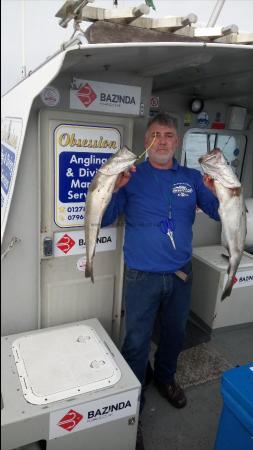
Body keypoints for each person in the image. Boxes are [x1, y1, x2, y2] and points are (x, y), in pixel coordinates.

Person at [101, 113, 220, 450]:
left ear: (177, 141)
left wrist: (219, 190)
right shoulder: (132, 177)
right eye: (156, 135)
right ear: (146, 142)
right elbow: (106, 217)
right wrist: (113, 186)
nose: (163, 141)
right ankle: (134, 408)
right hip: (141, 276)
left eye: (169, 135)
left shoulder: (193, 178)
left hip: (180, 274)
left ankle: (165, 377)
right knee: (137, 342)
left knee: (175, 333)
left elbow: (216, 211)